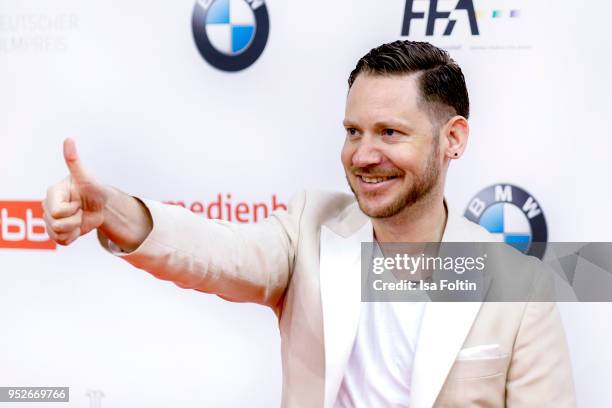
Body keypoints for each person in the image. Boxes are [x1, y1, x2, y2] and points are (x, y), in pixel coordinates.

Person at [43, 40, 576, 407]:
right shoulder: (310, 228)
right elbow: (213, 251)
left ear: (453, 139)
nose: (363, 154)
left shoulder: (519, 289)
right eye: (352, 131)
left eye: (390, 133)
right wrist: (111, 210)